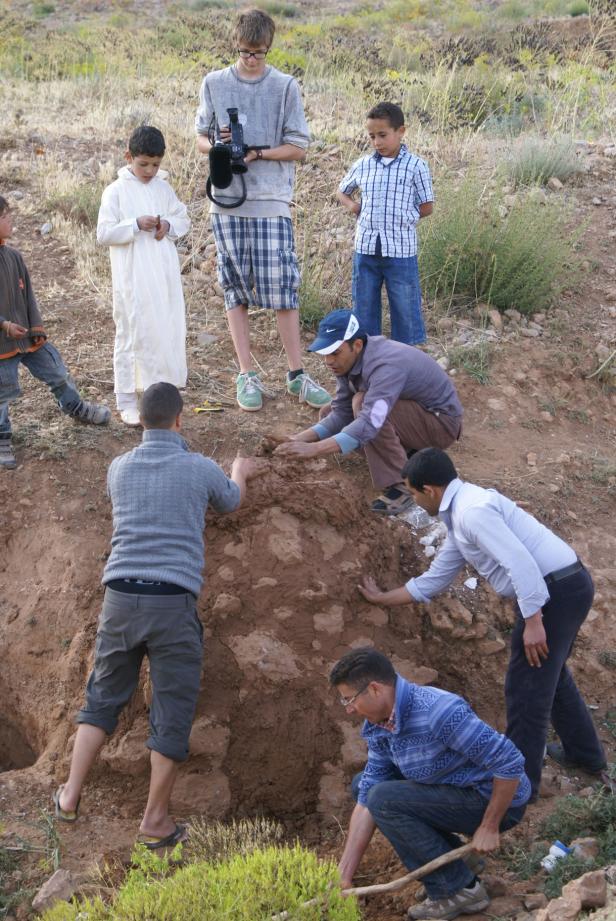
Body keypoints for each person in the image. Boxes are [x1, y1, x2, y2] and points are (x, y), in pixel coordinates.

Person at [53, 382, 264, 847]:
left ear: (141, 420)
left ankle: (69, 795)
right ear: (180, 419)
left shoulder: (118, 468)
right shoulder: (198, 468)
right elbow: (230, 501)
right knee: (172, 710)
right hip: (172, 603)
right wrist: (239, 470)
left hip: (120, 599)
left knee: (103, 696)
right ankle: (154, 821)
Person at [357, 448, 607, 798]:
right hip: (560, 587)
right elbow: (435, 578)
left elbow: (522, 565)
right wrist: (382, 598)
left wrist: (534, 621)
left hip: (554, 592)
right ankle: (586, 755)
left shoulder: (472, 514)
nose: (412, 500)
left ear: (430, 490)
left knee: (526, 690)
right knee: (549, 674)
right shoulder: (461, 513)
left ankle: (521, 787)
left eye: (412, 493)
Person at [195, 8, 331, 413]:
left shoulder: (286, 86)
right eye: (244, 52)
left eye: (259, 52)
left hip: (271, 199)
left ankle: (296, 374)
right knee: (234, 290)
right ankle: (246, 373)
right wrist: (219, 146)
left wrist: (258, 152)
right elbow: (199, 138)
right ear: (234, 46)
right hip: (227, 202)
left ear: (269, 48)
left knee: (283, 289)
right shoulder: (214, 83)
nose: (251, 59)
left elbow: (300, 148)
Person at [331, 647, 530, 920]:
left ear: (375, 689)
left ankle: (457, 890)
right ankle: (458, 862)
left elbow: (509, 763)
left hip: (495, 798)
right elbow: (367, 795)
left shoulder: (439, 712)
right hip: (453, 790)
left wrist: (489, 825)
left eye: (349, 699)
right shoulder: (379, 725)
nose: (350, 709)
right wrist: (343, 876)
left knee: (384, 800)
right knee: (364, 786)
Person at [274, 309, 463, 515]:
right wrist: (297, 439)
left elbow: (371, 421)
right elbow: (340, 412)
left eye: (335, 352)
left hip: (440, 425)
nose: (328, 361)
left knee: (363, 406)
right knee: (329, 411)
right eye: (325, 353)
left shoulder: (386, 364)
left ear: (357, 345)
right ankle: (406, 453)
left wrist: (315, 449)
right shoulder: (349, 362)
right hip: (416, 419)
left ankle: (402, 484)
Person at [0, 196, 110, 470]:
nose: (11, 219)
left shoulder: (14, 256)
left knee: (57, 372)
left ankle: (74, 406)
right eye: (5, 216)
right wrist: (4, 325)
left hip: (26, 337)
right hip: (2, 344)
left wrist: (36, 328)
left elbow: (29, 298)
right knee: (1, 394)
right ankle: (2, 437)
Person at [97, 126, 190, 427]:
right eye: (143, 164)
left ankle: (159, 395)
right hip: (132, 277)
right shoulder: (116, 191)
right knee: (131, 331)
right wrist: (135, 224)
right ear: (128, 157)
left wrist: (168, 227)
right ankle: (126, 399)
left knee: (163, 330)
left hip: (162, 276)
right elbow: (104, 233)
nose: (150, 170)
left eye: (156, 164)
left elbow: (181, 217)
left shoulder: (163, 189)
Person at [336, 102, 433, 346]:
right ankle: (370, 356)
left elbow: (427, 206)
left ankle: (405, 357)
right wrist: (353, 207)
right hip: (366, 249)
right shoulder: (363, 165)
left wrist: (405, 217)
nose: (377, 142)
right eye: (372, 137)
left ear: (400, 131)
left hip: (400, 250)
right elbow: (342, 191)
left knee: (404, 304)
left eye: (383, 135)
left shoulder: (416, 166)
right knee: (364, 304)